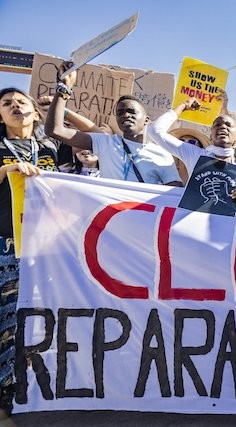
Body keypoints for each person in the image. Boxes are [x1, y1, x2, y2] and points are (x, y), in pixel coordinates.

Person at [0, 87, 60, 417]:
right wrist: (9, 170)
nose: (15, 107)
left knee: (38, 317)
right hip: (7, 244)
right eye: (7, 104)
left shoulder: (51, 147)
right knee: (6, 319)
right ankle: (6, 387)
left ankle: (29, 381)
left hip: (47, 247)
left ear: (35, 112)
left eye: (21, 102)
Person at [45, 62, 182, 186]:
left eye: (131, 111)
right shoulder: (105, 143)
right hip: (110, 214)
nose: (125, 115)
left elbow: (174, 197)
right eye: (120, 113)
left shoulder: (162, 154)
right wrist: (64, 88)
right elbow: (55, 130)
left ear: (146, 120)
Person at [147, 98, 236, 199]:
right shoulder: (196, 155)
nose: (223, 127)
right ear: (211, 136)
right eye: (217, 124)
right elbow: (154, 130)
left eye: (228, 125)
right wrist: (183, 105)